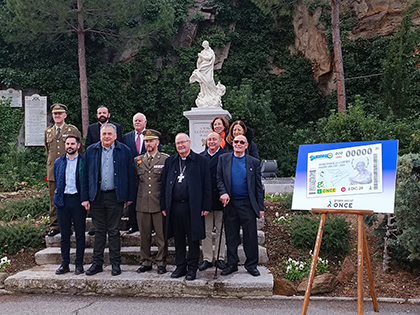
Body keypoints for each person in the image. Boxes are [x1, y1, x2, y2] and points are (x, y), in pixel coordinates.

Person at [81, 123, 135, 276]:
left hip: (115, 196)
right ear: (100, 136)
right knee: (99, 231)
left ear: (115, 136)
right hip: (96, 196)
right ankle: (97, 263)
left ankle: (115, 264)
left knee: (114, 232)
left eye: (110, 134)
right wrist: (85, 197)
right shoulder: (91, 151)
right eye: (104, 134)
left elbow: (130, 175)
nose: (107, 137)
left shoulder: (124, 150)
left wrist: (129, 196)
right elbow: (85, 176)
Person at [160, 133, 211, 281]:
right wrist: (164, 205)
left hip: (193, 207)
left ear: (189, 143)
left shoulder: (201, 161)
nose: (180, 146)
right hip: (174, 207)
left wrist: (206, 206)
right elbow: (163, 185)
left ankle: (192, 268)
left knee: (193, 239)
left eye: (183, 142)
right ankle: (180, 266)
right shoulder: (171, 161)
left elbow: (207, 185)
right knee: (178, 238)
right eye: (178, 143)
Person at [217, 135, 264, 277]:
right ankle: (232, 264)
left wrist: (260, 207)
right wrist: (223, 192)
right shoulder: (223, 159)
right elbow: (219, 179)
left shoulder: (253, 162)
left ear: (246, 145)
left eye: (241, 142)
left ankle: (251, 265)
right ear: (232, 143)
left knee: (250, 236)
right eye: (236, 142)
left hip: (247, 204)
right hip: (230, 203)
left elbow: (258, 186)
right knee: (231, 235)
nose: (238, 144)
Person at [134, 129, 169, 274]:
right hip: (142, 203)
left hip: (158, 203)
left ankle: (161, 262)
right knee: (144, 236)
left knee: (161, 236)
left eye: (151, 140)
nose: (148, 143)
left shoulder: (165, 159)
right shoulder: (138, 160)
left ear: (157, 142)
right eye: (147, 141)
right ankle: (146, 261)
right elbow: (136, 181)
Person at [44, 103, 82, 237]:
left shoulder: (72, 130)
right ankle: (55, 226)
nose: (57, 115)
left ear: (65, 115)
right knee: (54, 198)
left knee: (71, 197)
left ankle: (69, 224)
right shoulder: (48, 131)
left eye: (60, 113)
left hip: (70, 169)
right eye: (55, 113)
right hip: (54, 170)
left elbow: (79, 149)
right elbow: (48, 150)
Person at [53, 134, 85, 275]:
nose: (69, 146)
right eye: (67, 144)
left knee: (79, 234)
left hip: (78, 201)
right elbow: (56, 179)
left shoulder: (84, 161)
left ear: (78, 145)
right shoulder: (58, 162)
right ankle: (65, 263)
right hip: (63, 201)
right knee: (65, 235)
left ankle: (79, 263)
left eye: (72, 143)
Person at [199, 132, 226, 271]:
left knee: (221, 231)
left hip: (220, 199)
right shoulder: (201, 157)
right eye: (209, 139)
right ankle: (207, 258)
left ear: (220, 140)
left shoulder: (226, 156)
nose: (211, 142)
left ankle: (220, 258)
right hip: (206, 202)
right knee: (206, 231)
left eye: (214, 139)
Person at [123, 113, 147, 234]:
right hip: (131, 173)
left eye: (139, 120)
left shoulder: (151, 136)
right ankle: (133, 224)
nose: (137, 122)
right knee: (132, 199)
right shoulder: (126, 137)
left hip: (147, 173)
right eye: (135, 120)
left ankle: (149, 226)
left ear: (145, 123)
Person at [189, 40, 225, 108]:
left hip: (208, 69)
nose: (205, 46)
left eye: (206, 45)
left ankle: (213, 92)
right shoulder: (203, 52)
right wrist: (200, 58)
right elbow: (199, 61)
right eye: (204, 45)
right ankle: (205, 95)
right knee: (203, 82)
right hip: (202, 68)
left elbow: (209, 58)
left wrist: (201, 56)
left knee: (209, 80)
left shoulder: (210, 51)